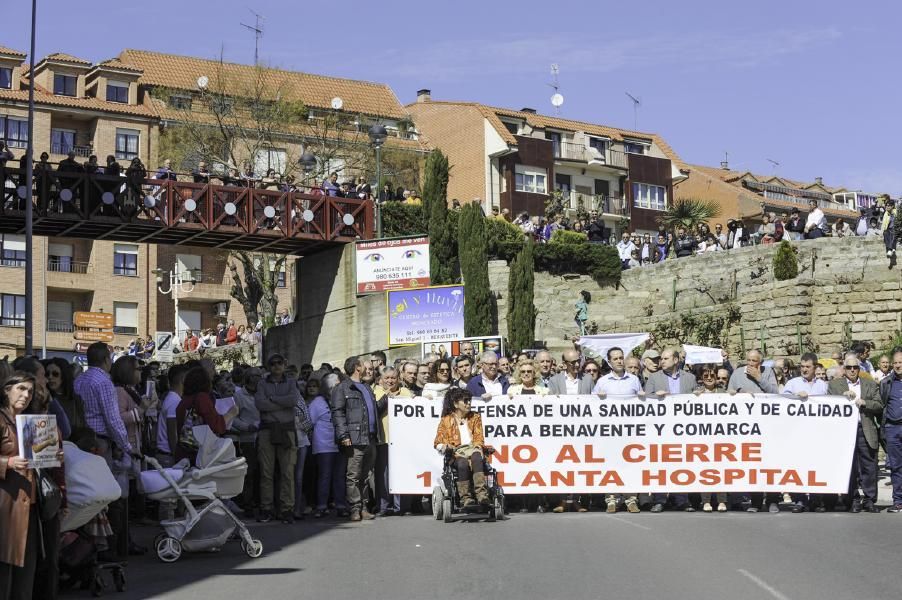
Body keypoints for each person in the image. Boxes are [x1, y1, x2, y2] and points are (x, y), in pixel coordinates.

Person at [74, 342, 134, 562]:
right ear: (106, 360)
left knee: (88, 494)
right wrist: (126, 445)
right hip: (101, 442)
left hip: (82, 441)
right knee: (106, 495)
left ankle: (89, 545)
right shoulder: (104, 382)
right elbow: (112, 418)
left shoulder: (79, 379)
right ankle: (107, 547)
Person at [0, 372, 41, 600]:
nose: (26, 395)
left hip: (28, 505)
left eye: (30, 391)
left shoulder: (28, 422)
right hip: (6, 506)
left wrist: (52, 456)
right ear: (7, 390)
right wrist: (8, 462)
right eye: (21, 389)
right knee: (5, 571)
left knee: (25, 574)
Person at [331, 356, 385, 521]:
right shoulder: (342, 388)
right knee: (353, 475)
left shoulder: (367, 388)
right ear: (357, 367)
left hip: (370, 438)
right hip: (355, 438)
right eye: (363, 364)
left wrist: (388, 398)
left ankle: (363, 507)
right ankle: (354, 508)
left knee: (366, 475)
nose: (367, 367)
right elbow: (337, 412)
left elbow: (373, 410)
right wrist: (344, 435)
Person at [644, 347, 696, 513]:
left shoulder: (690, 378)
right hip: (661, 429)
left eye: (666, 359)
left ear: (675, 360)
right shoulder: (654, 378)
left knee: (682, 464)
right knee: (661, 464)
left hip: (683, 429)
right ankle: (659, 499)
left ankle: (682, 499)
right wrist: (654, 396)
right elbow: (644, 400)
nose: (662, 362)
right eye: (661, 359)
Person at [828, 355, 882, 512]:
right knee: (849, 467)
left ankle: (870, 499)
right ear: (844, 369)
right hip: (845, 432)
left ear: (860, 369)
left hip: (864, 429)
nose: (852, 370)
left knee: (869, 466)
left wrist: (865, 403)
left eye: (855, 367)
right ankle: (852, 500)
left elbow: (879, 405)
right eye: (849, 367)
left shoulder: (869, 384)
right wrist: (842, 398)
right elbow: (829, 404)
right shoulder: (835, 385)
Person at [593, 347, 643, 514]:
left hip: (630, 432)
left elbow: (643, 404)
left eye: (621, 357)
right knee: (611, 465)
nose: (620, 361)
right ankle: (611, 499)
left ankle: (631, 499)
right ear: (609, 362)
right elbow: (591, 406)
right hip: (610, 432)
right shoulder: (602, 382)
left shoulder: (634, 380)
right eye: (615, 359)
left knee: (630, 465)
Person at [254, 354, 301, 524]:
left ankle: (286, 508)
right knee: (266, 472)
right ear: (268, 367)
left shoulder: (290, 382)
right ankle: (267, 508)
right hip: (267, 430)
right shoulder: (262, 383)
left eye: (279, 363)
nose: (276, 366)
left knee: (287, 472)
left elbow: (293, 400)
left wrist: (272, 400)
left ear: (284, 364)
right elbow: (260, 404)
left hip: (286, 430)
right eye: (272, 364)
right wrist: (282, 403)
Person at [783, 352, 829, 512]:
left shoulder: (823, 385)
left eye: (807, 367)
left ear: (815, 367)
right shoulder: (793, 383)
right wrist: (795, 396)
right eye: (802, 366)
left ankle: (816, 500)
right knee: (798, 466)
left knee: (816, 465)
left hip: (817, 432)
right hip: (797, 432)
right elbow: (781, 402)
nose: (804, 369)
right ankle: (799, 500)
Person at [433, 388, 490, 508]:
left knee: (477, 457)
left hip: (472, 448)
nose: (468, 403)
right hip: (456, 452)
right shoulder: (446, 420)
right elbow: (438, 441)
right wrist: (445, 446)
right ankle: (466, 498)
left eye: (469, 400)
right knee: (463, 463)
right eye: (465, 401)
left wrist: (478, 447)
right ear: (455, 404)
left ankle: (481, 495)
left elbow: (479, 437)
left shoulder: (475, 417)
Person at [373, 368, 411, 516]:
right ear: (381, 379)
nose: (390, 381)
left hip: (402, 441)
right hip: (384, 439)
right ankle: (383, 506)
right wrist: (387, 396)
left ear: (398, 379)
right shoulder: (376, 393)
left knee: (401, 473)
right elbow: (375, 411)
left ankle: (401, 507)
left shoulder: (406, 393)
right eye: (387, 378)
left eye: (393, 378)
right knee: (383, 475)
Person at [309, 372, 348, 518]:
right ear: (328, 387)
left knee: (339, 476)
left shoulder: (343, 399)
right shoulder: (317, 402)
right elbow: (310, 423)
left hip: (341, 443)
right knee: (324, 476)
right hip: (323, 445)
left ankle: (340, 505)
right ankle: (321, 506)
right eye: (336, 385)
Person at [42, 357, 87, 441]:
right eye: (47, 374)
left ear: (64, 375)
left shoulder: (76, 397)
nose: (50, 377)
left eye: (55, 374)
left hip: (77, 445)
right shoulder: (46, 399)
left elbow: (84, 424)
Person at [879, 350, 902, 513]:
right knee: (896, 467)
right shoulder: (886, 383)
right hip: (892, 428)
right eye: (896, 363)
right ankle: (898, 501)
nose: (898, 365)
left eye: (901, 362)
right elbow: (881, 405)